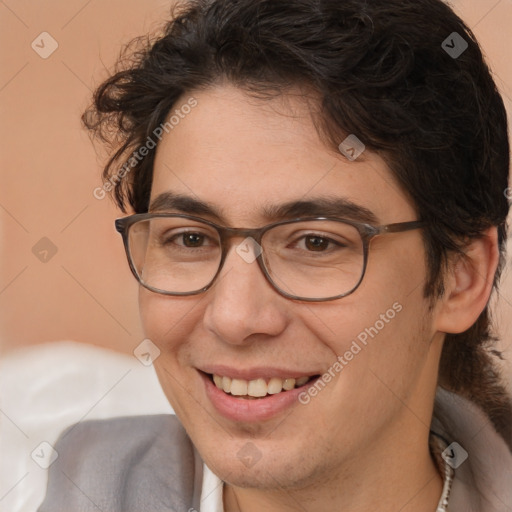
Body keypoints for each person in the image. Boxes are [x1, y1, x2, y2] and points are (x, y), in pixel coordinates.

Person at [38, 0, 512, 511]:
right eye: (190, 238)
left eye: (316, 242)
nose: (235, 317)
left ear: (460, 278)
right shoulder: (68, 482)